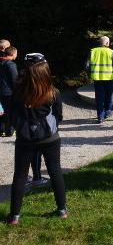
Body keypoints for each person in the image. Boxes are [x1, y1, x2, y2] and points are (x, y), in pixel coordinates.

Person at [7, 53, 67, 225]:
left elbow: (11, 115)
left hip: (25, 138)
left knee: (20, 175)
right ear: (45, 71)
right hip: (50, 137)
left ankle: (14, 216)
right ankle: (62, 210)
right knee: (55, 171)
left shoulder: (18, 93)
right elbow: (59, 115)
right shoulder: (53, 92)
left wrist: (21, 127)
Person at [86, 36, 113, 123]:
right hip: (109, 78)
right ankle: (107, 112)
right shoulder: (111, 52)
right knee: (109, 96)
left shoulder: (93, 51)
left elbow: (87, 66)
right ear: (107, 43)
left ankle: (100, 116)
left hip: (97, 78)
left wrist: (89, 75)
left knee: (99, 97)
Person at [0, 46, 18, 137]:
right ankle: (9, 131)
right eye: (16, 54)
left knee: (1, 111)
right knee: (10, 111)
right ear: (13, 54)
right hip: (9, 92)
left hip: (1, 91)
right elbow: (14, 79)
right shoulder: (11, 65)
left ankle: (1, 130)